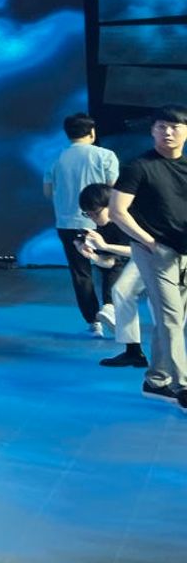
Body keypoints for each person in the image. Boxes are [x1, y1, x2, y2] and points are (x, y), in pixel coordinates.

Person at [107, 104, 187, 408]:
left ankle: (156, 380)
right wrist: (149, 241)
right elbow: (117, 211)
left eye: (175, 126)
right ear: (152, 130)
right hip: (154, 251)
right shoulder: (138, 167)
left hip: (183, 250)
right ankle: (182, 386)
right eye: (161, 126)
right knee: (170, 318)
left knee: (174, 320)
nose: (168, 132)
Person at [44, 113, 120, 337]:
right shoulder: (105, 155)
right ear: (92, 132)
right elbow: (114, 189)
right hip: (102, 220)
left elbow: (48, 192)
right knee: (112, 265)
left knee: (80, 273)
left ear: (67, 133)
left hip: (68, 222)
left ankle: (93, 322)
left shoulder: (55, 158)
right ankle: (109, 306)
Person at [77, 184, 149, 368]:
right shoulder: (104, 226)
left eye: (95, 213)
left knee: (166, 312)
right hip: (141, 260)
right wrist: (92, 255)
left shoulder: (127, 217)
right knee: (121, 292)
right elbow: (109, 262)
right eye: (88, 214)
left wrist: (105, 246)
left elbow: (144, 247)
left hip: (160, 257)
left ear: (109, 205)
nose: (93, 218)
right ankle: (133, 351)